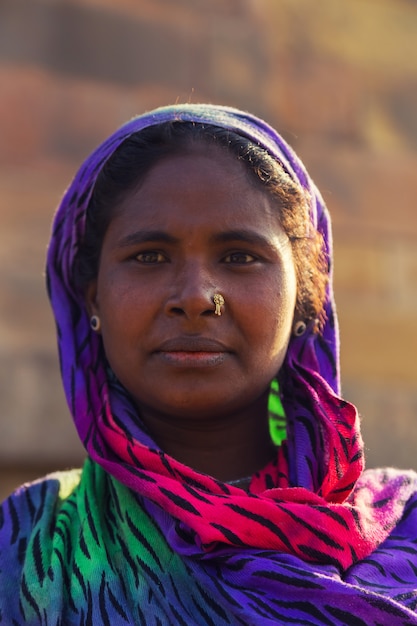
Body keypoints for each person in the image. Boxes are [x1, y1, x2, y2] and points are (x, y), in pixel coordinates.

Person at [1, 104, 417, 625]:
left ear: (305, 302)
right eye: (150, 256)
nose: (196, 297)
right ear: (92, 301)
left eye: (239, 256)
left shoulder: (407, 525)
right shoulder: (25, 551)